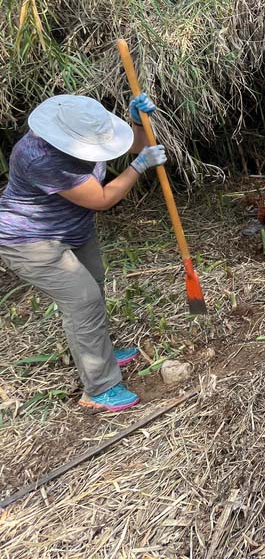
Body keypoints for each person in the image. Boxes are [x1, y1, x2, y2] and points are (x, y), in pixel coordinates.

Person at [0, 94, 167, 413]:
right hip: (29, 239)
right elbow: (102, 198)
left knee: (95, 283)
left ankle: (99, 351)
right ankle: (99, 387)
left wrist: (135, 124)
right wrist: (139, 166)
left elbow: (135, 143)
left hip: (72, 229)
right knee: (83, 299)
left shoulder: (85, 132)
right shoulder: (38, 157)